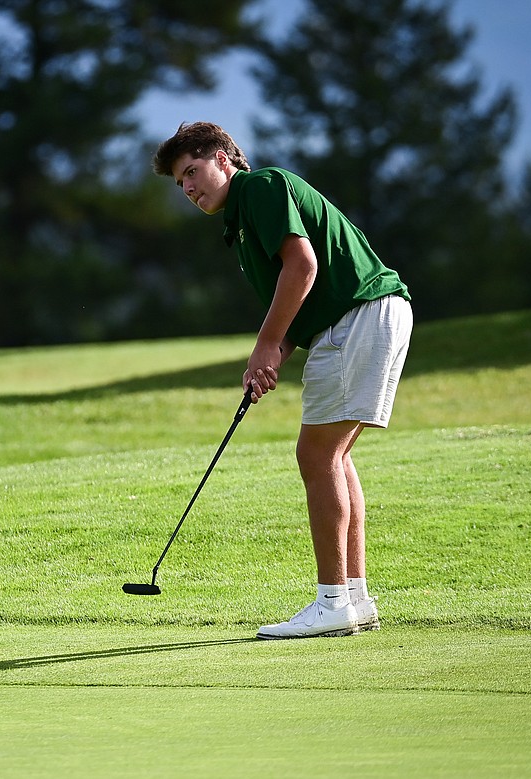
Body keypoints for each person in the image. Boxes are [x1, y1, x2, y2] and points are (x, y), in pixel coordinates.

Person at [152, 122, 413, 639]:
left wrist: (266, 346)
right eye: (181, 183)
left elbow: (303, 266)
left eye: (192, 172)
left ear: (224, 159)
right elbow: (293, 308)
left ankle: (332, 600)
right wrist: (269, 359)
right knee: (333, 456)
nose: (188, 189)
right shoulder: (242, 225)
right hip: (373, 314)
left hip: (359, 315)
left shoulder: (262, 188)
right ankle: (355, 598)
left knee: (316, 456)